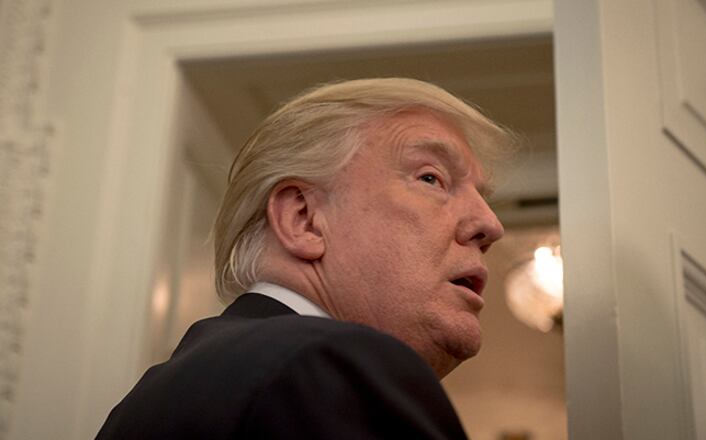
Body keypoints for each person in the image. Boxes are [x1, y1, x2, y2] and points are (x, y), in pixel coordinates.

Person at [96, 78, 513, 439]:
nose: (489, 224)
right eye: (431, 178)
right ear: (304, 220)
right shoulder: (326, 368)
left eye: (482, 197)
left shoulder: (156, 397)